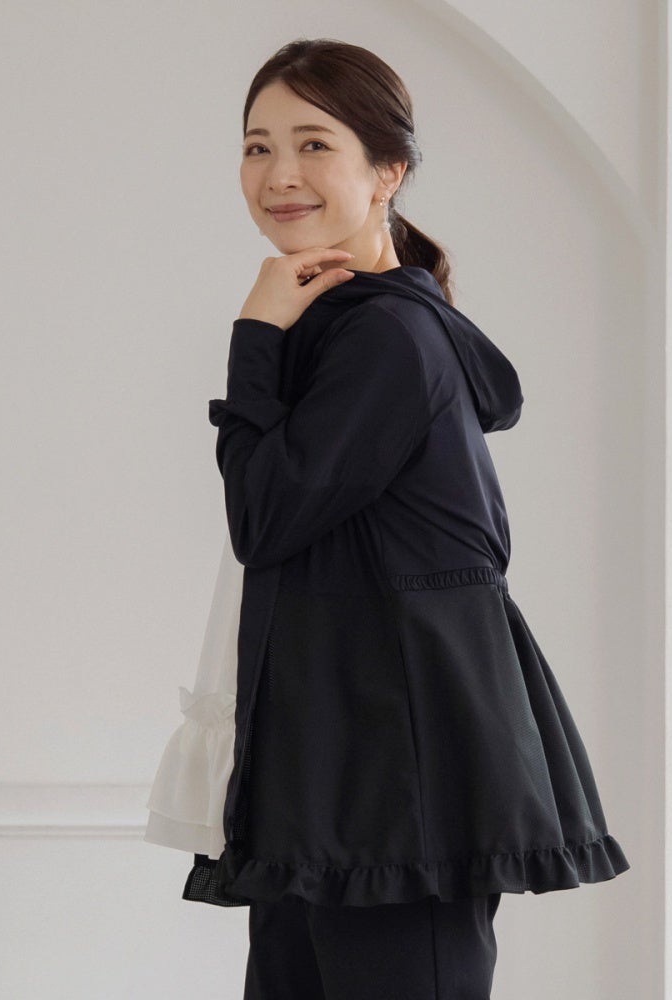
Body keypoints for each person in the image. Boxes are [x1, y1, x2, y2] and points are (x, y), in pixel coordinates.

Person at [187, 37, 629, 999]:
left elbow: (263, 518)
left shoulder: (385, 334)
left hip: (397, 782)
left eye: (314, 144)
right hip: (338, 772)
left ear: (387, 171)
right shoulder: (343, 325)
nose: (279, 174)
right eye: (258, 147)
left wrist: (253, 337)